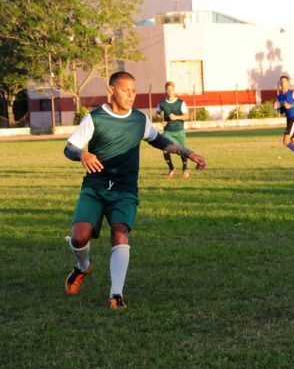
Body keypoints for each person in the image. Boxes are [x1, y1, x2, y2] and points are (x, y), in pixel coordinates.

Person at [63, 71, 206, 309]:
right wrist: (83, 154)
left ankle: (116, 294)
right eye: (125, 90)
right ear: (111, 90)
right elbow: (69, 148)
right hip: (95, 187)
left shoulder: (139, 120)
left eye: (134, 90)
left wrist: (188, 152)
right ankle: (83, 266)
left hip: (124, 188)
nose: (131, 95)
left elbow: (159, 140)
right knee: (79, 237)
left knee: (120, 233)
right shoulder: (95, 118)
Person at [155, 81, 191, 179]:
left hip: (179, 131)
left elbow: (187, 116)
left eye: (171, 89)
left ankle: (185, 169)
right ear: (165, 90)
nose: (169, 91)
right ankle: (171, 168)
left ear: (174, 90)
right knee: (164, 149)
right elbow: (157, 114)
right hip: (168, 131)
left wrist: (176, 117)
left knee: (182, 151)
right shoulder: (162, 103)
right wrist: (161, 120)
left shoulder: (180, 103)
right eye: (168, 89)